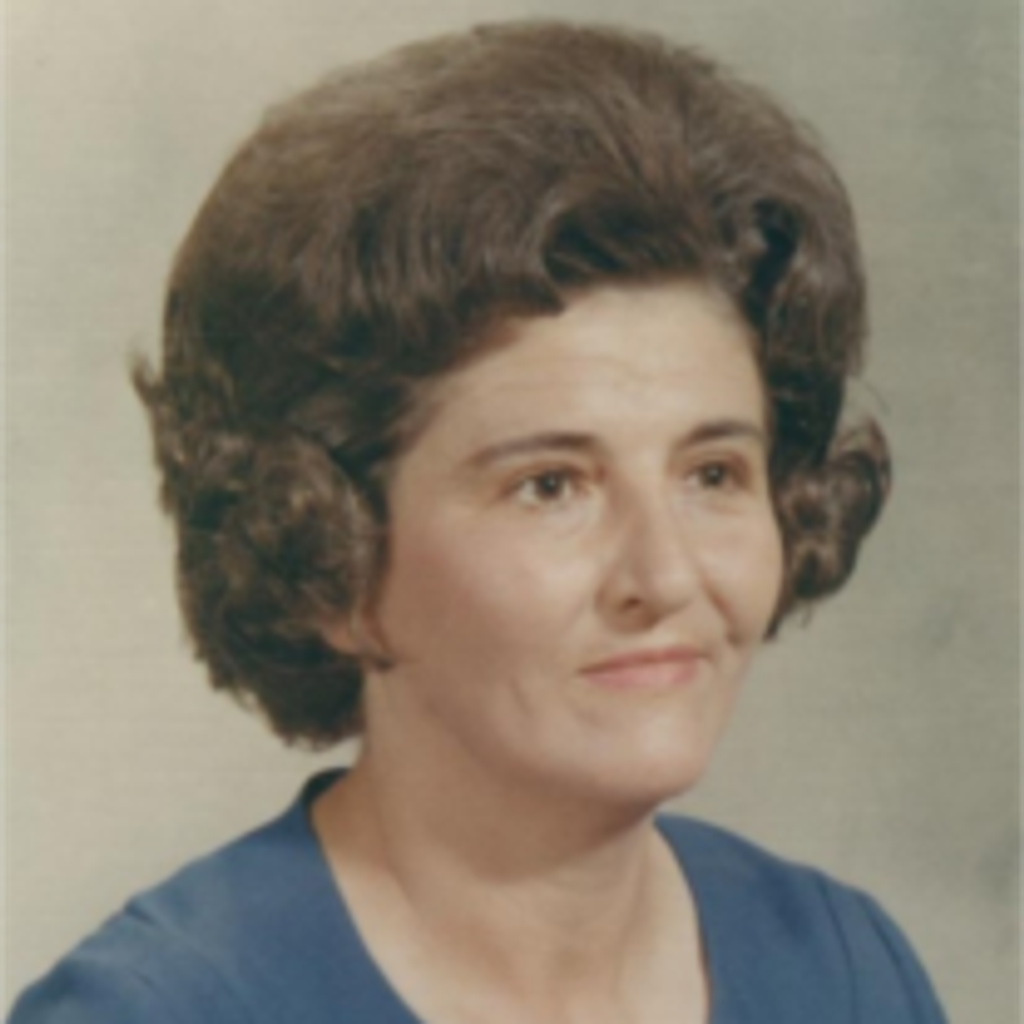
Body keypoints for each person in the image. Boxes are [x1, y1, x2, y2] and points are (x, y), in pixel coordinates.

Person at [9, 20, 948, 1024]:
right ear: (328, 560)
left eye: (712, 472)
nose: (665, 575)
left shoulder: (845, 971)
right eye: (550, 486)